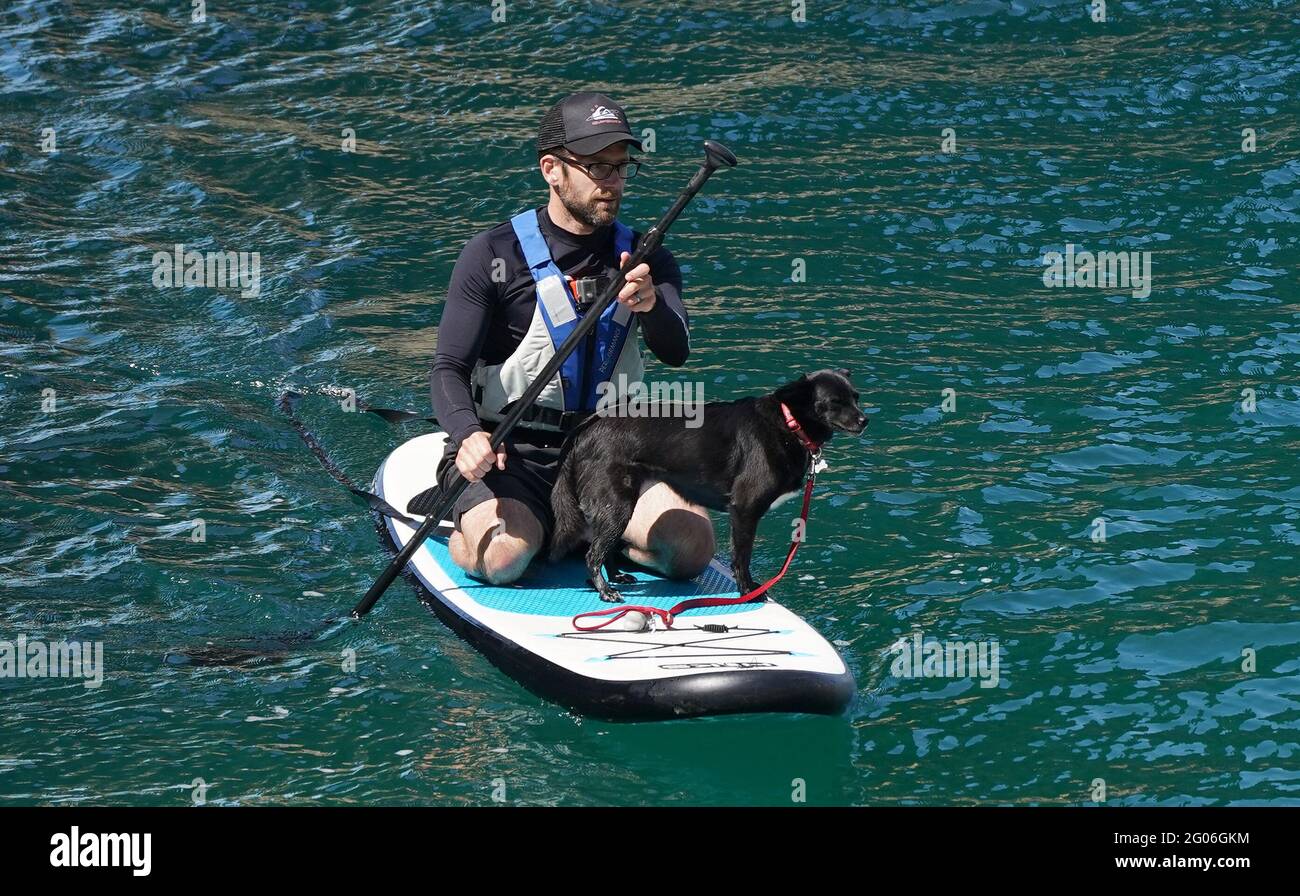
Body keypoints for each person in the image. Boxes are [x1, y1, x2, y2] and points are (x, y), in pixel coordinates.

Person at [429, 91, 716, 586]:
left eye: (621, 168)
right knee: (503, 558)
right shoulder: (493, 255)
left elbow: (676, 352)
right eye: (597, 168)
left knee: (693, 547)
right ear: (551, 169)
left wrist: (652, 308)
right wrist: (466, 435)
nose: (613, 183)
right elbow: (447, 371)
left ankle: (606, 540)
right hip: (512, 454)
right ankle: (465, 516)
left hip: (608, 452)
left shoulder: (648, 257)